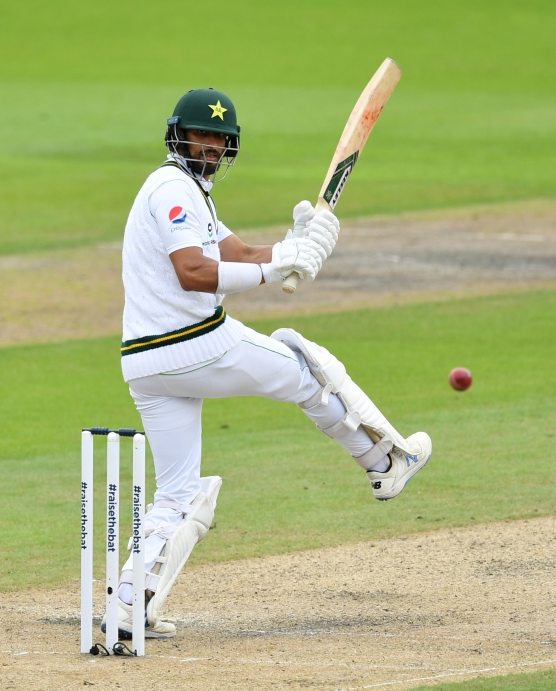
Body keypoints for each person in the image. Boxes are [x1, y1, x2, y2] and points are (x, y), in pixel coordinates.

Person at [110, 88, 432, 640]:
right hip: (195, 344)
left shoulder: (190, 193)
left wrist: (296, 244)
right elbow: (193, 271)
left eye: (219, 141)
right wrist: (275, 267)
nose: (209, 148)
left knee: (180, 494)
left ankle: (125, 611)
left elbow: (237, 255)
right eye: (201, 136)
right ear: (178, 136)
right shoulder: (171, 189)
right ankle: (383, 462)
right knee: (304, 362)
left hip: (146, 365)